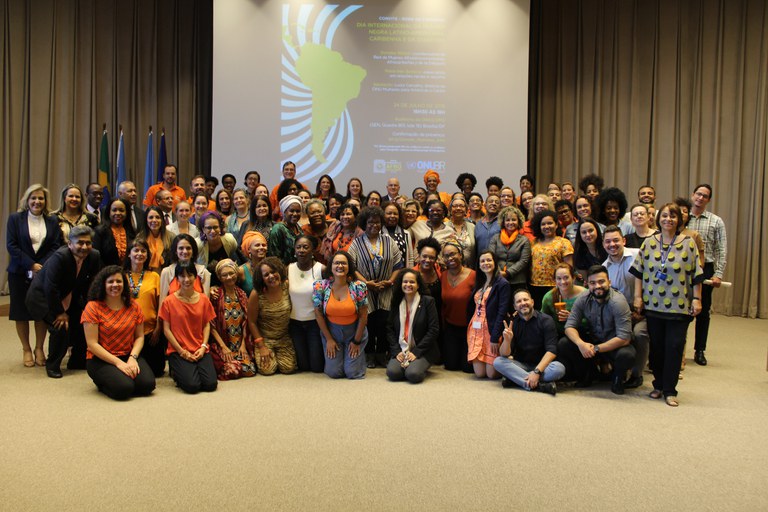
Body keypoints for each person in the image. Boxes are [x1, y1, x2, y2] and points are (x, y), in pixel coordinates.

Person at [631, 203, 703, 406]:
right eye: (664, 215)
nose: (668, 219)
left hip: (680, 306)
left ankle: (670, 390)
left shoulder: (688, 243)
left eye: (672, 216)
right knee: (657, 348)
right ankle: (658, 385)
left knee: (674, 346)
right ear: (658, 219)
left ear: (679, 220)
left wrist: (697, 299)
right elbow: (639, 272)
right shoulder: (649, 243)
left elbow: (696, 274)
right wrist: (638, 297)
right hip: (653, 305)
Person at [26, 225, 101, 378]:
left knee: (83, 322)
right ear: (70, 244)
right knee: (60, 327)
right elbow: (50, 287)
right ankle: (52, 365)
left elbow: (93, 283)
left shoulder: (94, 256)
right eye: (80, 243)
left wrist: (89, 307)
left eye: (88, 243)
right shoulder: (60, 257)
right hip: (42, 297)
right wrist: (60, 313)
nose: (84, 247)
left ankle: (77, 361)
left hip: (68, 294)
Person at [6, 184, 62, 367]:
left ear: (45, 202)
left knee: (41, 311)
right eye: (34, 198)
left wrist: (42, 265)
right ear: (27, 200)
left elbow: (56, 245)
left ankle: (39, 348)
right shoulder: (15, 219)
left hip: (43, 272)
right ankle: (26, 349)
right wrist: (30, 264)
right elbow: (11, 245)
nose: (37, 202)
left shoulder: (52, 220)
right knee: (20, 312)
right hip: (20, 272)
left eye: (41, 198)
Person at [559, 265, 636, 395]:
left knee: (627, 355)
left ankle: (617, 378)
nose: (597, 286)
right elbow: (569, 326)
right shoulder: (583, 298)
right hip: (592, 340)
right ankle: (588, 374)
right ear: (587, 284)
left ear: (609, 282)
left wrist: (595, 348)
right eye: (592, 283)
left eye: (601, 281)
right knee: (564, 344)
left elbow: (624, 338)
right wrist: (581, 344)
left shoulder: (618, 302)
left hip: (614, 344)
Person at [81, 266, 155, 400]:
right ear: (103, 284)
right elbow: (92, 344)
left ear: (124, 284)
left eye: (119, 281)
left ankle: (120, 377)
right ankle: (102, 381)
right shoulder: (93, 307)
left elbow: (139, 337)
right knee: (124, 389)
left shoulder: (133, 305)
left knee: (147, 385)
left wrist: (133, 358)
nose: (115, 285)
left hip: (127, 354)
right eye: (110, 282)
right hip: (101, 359)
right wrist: (118, 363)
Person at [347, 206, 404, 367]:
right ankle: (370, 353)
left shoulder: (389, 241)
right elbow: (352, 267)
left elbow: (398, 265)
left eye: (377, 222)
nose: (374, 225)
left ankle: (382, 353)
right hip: (365, 290)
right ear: (364, 223)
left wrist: (391, 281)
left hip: (386, 290)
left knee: (385, 324)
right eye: (371, 222)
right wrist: (366, 283)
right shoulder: (356, 243)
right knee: (369, 323)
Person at [160, 263, 218, 393]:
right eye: (182, 276)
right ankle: (177, 371)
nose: (186, 279)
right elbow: (166, 330)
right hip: (178, 350)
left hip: (199, 348)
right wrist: (182, 352)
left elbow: (206, 324)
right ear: (177, 279)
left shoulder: (203, 299)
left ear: (196, 277)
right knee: (192, 386)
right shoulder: (169, 301)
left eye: (190, 275)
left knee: (210, 385)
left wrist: (203, 347)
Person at [493, 288, 564, 395]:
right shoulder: (513, 323)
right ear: (515, 306)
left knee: (559, 368)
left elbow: (552, 351)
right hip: (521, 364)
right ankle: (541, 386)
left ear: (532, 302)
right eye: (519, 301)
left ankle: (516, 380)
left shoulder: (546, 320)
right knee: (498, 362)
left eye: (525, 300)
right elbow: (504, 354)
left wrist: (536, 372)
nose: (523, 303)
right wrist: (507, 341)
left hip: (543, 366)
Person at [602, 226, 647, 389]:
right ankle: (616, 370)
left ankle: (637, 374)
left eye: (616, 240)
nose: (612, 244)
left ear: (624, 241)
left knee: (639, 333)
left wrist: (642, 311)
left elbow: (650, 284)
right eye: (608, 241)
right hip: (621, 315)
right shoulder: (604, 268)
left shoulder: (638, 255)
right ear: (603, 244)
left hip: (643, 311)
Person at [686, 184, 727, 366]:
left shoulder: (716, 221)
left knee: (703, 311)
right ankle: (678, 350)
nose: (700, 198)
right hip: (682, 268)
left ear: (708, 200)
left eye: (705, 196)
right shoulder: (682, 217)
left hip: (705, 269)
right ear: (693, 195)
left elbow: (721, 249)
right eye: (698, 194)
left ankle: (699, 350)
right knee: (680, 312)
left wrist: (718, 273)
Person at [313, 251, 369, 379]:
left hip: (354, 333)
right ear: (331, 266)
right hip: (332, 333)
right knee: (334, 373)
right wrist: (329, 339)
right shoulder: (320, 286)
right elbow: (318, 314)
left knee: (352, 373)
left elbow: (363, 316)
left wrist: (356, 341)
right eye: (336, 263)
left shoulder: (359, 287)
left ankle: (356, 358)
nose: (340, 266)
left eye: (344, 263)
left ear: (349, 267)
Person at [385, 269, 440, 383]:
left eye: (412, 282)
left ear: (418, 285)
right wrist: (396, 351)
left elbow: (433, 330)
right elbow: (389, 329)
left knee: (413, 374)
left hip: (423, 350)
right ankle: (408, 364)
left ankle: (415, 365)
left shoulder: (428, 302)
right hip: (402, 349)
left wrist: (416, 352)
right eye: (405, 282)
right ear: (400, 284)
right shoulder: (396, 302)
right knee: (393, 373)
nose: (408, 285)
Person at [247, 257, 296, 374]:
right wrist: (261, 346)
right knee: (267, 370)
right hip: (265, 339)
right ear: (262, 279)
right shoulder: (256, 294)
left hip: (284, 337)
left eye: (273, 272)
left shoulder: (286, 286)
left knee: (288, 368)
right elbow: (251, 321)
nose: (271, 276)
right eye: (266, 274)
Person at [208, 259, 256, 380]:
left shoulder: (242, 294)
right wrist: (223, 347)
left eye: (231, 273)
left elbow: (247, 323)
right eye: (225, 275)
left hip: (239, 344)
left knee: (249, 370)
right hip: (222, 343)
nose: (229, 277)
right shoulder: (215, 296)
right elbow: (211, 326)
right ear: (219, 277)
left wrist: (243, 346)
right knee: (232, 371)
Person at [124, 238, 164, 377]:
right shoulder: (121, 276)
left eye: (143, 251)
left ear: (147, 255)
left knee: (157, 371)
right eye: (136, 250)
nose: (139, 254)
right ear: (129, 254)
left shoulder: (154, 276)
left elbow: (161, 304)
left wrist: (158, 328)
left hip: (150, 331)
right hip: (127, 331)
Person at [466, 251, 510, 379]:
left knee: (491, 375)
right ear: (478, 265)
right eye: (483, 261)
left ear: (495, 263)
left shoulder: (502, 284)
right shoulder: (480, 282)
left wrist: (495, 337)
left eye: (489, 260)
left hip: (491, 330)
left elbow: (502, 312)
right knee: (479, 374)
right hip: (476, 330)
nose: (486, 263)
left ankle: (509, 361)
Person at [285, 235, 326, 373]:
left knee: (316, 367)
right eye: (298, 247)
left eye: (305, 247)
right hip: (295, 323)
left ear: (313, 250)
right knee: (303, 366)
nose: (301, 250)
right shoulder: (288, 269)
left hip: (315, 324)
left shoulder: (322, 269)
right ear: (294, 250)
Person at [440, 241, 476, 372]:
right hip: (451, 327)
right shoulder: (443, 276)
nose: (450, 258)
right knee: (450, 365)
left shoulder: (473, 275)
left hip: (470, 328)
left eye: (453, 254)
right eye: (446, 255)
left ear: (460, 255)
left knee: (468, 368)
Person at [528, 209, 574, 308]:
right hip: (535, 286)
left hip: (556, 286)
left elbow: (569, 267)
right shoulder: (533, 243)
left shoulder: (564, 243)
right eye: (543, 224)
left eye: (550, 223)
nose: (546, 226)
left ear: (556, 225)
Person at [159, 234, 211, 305]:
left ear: (193, 251)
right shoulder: (167, 272)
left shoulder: (203, 272)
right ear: (175, 251)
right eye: (181, 248)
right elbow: (162, 303)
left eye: (188, 248)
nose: (185, 251)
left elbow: (206, 303)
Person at [487, 205, 530, 287]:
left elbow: (524, 261)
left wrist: (507, 273)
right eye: (507, 220)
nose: (511, 222)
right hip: (497, 278)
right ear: (503, 222)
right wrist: (499, 272)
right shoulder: (495, 238)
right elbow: (491, 257)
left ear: (519, 222)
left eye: (514, 220)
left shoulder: (524, 240)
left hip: (518, 280)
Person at [541, 263, 587, 337]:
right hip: (557, 334)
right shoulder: (549, 297)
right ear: (554, 280)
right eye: (559, 278)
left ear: (573, 278)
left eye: (566, 277)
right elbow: (543, 320)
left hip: (581, 333)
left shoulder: (585, 295)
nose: (562, 282)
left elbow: (593, 321)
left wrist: (572, 318)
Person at [197, 210, 240, 286]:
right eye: (209, 228)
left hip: (228, 282)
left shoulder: (229, 240)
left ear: (220, 227)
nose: (212, 231)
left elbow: (238, 261)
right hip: (205, 284)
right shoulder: (197, 245)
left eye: (215, 227)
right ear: (203, 229)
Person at [93, 198, 133, 267]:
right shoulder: (100, 231)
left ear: (127, 213)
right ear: (109, 212)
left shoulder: (132, 232)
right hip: (106, 274)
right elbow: (97, 258)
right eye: (114, 210)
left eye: (121, 210)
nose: (117, 213)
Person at [268, 195, 303, 264]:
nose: (295, 214)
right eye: (291, 211)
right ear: (284, 212)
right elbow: (274, 257)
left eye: (298, 211)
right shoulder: (278, 229)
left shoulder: (298, 228)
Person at [572, 217, 607, 282]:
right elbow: (588, 280)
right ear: (580, 235)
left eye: (590, 231)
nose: (588, 235)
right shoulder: (579, 254)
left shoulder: (607, 246)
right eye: (584, 232)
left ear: (597, 230)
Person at [445, 196, 476, 267]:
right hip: (448, 268)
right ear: (450, 209)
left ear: (466, 210)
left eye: (461, 206)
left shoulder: (472, 227)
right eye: (455, 206)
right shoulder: (444, 227)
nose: (458, 208)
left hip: (469, 268)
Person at [140, 206, 173, 271]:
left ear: (162, 220)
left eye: (157, 217)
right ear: (146, 220)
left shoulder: (171, 237)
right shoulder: (140, 238)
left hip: (166, 276)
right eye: (151, 217)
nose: (154, 220)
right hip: (146, 276)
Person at [382, 202, 414, 268]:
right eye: (389, 213)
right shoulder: (378, 233)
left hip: (402, 274)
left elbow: (410, 258)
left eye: (395, 214)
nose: (392, 216)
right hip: (383, 275)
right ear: (383, 215)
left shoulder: (406, 234)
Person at [239, 231, 268, 296]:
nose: (261, 247)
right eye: (257, 245)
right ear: (249, 249)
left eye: (264, 245)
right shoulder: (241, 271)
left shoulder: (272, 266)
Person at [302, 199, 329, 263]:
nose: (317, 215)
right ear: (307, 216)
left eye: (319, 211)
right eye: (312, 213)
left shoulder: (334, 229)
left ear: (325, 212)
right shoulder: (303, 231)